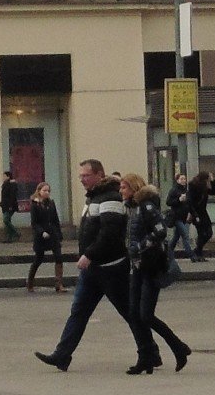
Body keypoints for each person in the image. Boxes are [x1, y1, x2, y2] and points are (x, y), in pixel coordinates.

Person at [34, 159, 144, 372]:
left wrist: (89, 254)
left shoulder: (110, 197)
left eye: (86, 175)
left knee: (130, 312)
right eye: (80, 176)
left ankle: (149, 351)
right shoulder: (94, 197)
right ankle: (62, 355)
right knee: (79, 311)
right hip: (94, 269)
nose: (82, 180)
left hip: (111, 267)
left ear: (99, 175)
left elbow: (109, 232)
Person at [123, 180, 191, 375]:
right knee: (134, 313)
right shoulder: (132, 209)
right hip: (137, 266)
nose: (121, 190)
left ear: (134, 188)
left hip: (150, 265)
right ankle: (145, 358)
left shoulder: (147, 206)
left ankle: (179, 348)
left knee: (146, 314)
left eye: (124, 186)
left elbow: (160, 231)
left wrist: (139, 247)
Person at [26, 181, 65, 293]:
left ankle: (59, 284)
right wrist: (41, 232)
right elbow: (34, 223)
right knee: (39, 258)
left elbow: (55, 219)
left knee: (58, 257)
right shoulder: (35, 205)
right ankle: (30, 282)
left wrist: (59, 234)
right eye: (44, 190)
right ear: (39, 191)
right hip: (41, 236)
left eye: (48, 191)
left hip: (53, 234)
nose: (47, 193)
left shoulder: (51, 203)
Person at [188, 167, 215, 261]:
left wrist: (213, 181)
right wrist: (194, 215)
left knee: (208, 233)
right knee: (202, 233)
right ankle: (199, 254)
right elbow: (190, 202)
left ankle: (197, 251)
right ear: (204, 178)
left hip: (203, 213)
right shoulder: (193, 186)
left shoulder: (204, 186)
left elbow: (214, 192)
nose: (208, 181)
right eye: (208, 179)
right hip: (196, 213)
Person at [0, 173, 21, 244]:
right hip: (5, 205)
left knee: (6, 220)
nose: (3, 177)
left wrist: (10, 206)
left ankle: (16, 233)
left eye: (4, 176)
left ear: (8, 177)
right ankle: (9, 238)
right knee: (8, 220)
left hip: (9, 206)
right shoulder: (5, 184)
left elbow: (12, 196)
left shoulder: (12, 184)